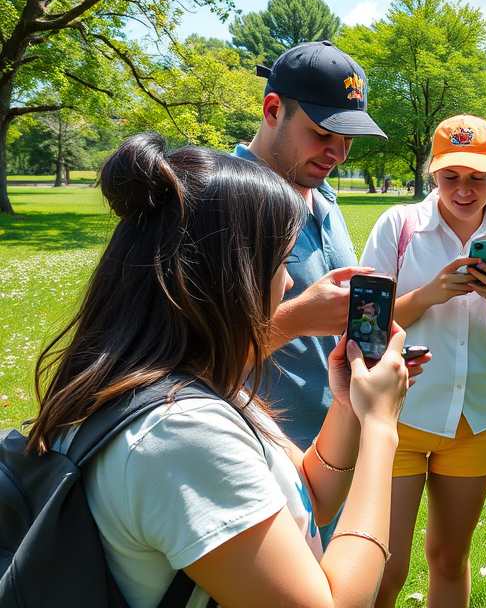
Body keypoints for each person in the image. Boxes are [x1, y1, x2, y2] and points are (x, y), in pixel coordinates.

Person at [28, 133, 416, 608]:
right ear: (229, 275)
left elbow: (313, 495)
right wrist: (380, 426)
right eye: (281, 261)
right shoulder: (180, 435)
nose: (292, 282)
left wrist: (348, 406)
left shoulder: (188, 383)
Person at [360, 115, 486, 608]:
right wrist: (429, 294)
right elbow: (366, 326)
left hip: (474, 422)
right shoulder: (399, 226)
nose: (463, 190)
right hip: (398, 419)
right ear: (433, 174)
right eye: (451, 176)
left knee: (449, 558)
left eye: (476, 177)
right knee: (385, 566)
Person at [234, 40, 390, 455]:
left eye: (349, 139)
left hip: (339, 443)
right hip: (264, 455)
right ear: (272, 110)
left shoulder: (323, 195)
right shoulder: (221, 203)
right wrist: (299, 317)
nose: (337, 154)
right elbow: (182, 358)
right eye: (322, 133)